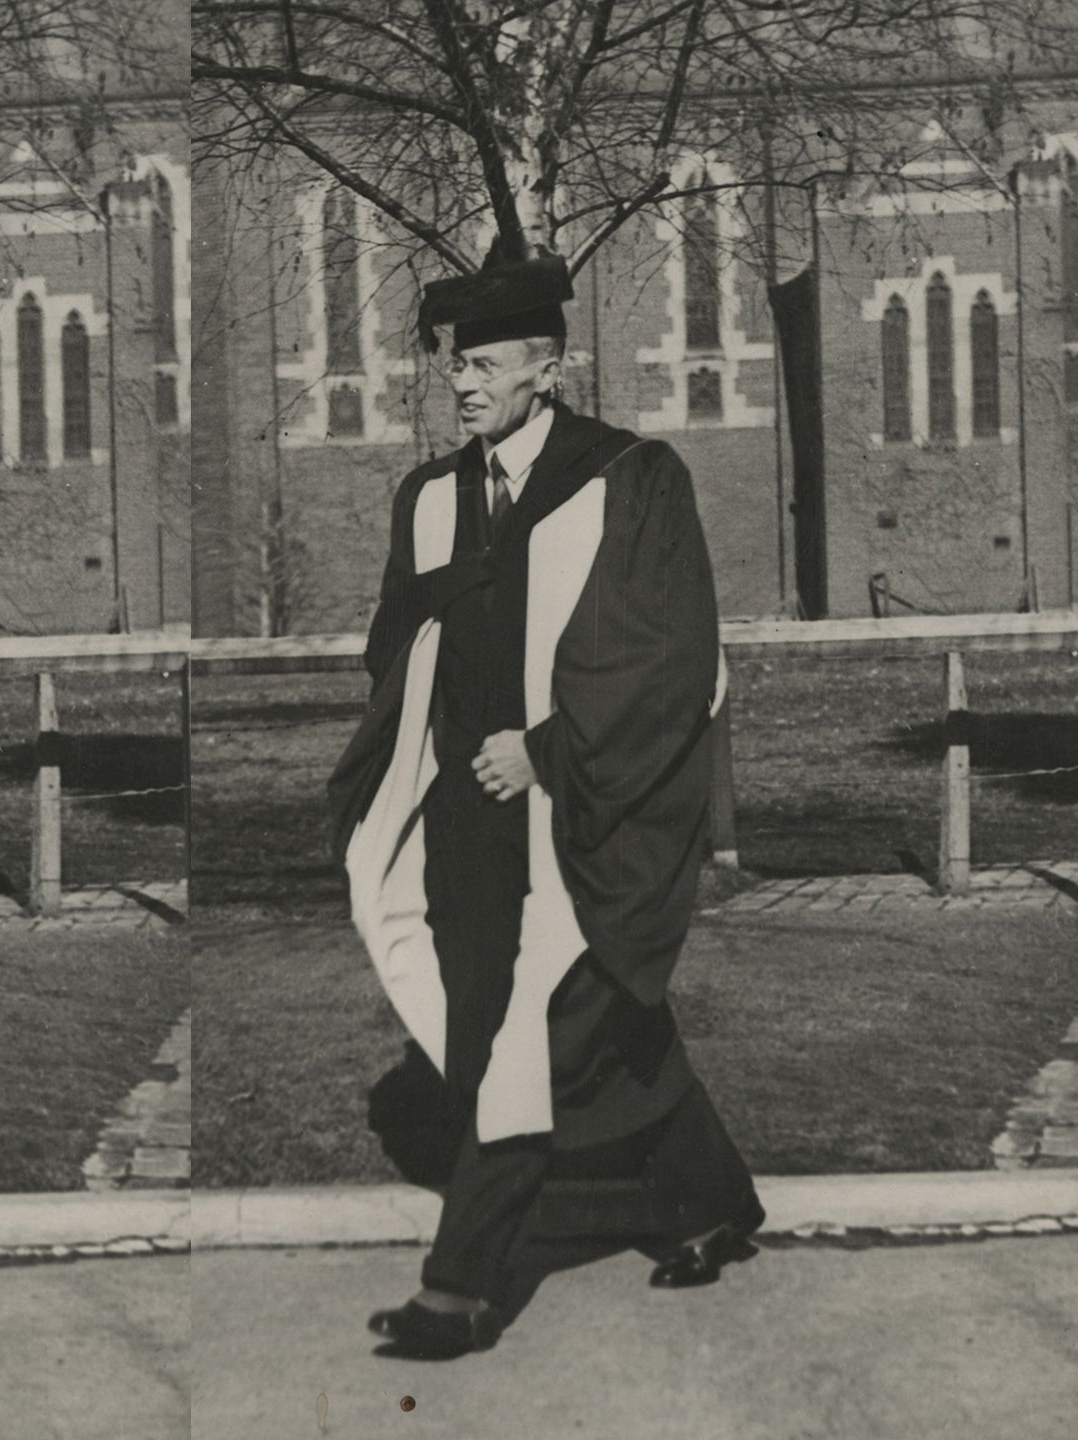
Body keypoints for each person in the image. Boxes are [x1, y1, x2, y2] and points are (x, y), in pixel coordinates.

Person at [327, 245, 764, 1360]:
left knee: (520, 1035)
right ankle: (712, 1202)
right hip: (465, 828)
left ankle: (461, 1286)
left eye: (483, 364)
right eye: (452, 367)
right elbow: (395, 655)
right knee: (581, 1019)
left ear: (546, 367)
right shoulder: (426, 501)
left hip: (579, 812)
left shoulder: (630, 479)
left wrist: (550, 750)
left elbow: (672, 661)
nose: (462, 384)